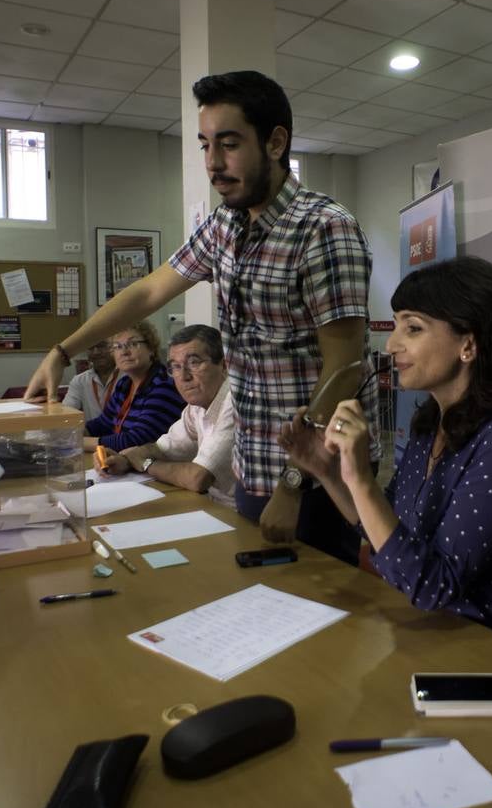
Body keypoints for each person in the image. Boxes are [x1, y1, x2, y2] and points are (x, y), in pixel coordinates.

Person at [25, 70, 376, 564]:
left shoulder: (324, 229)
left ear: (276, 142)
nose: (213, 163)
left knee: (328, 613)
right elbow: (148, 291)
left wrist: (294, 484)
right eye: (205, 145)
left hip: (318, 480)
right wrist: (64, 350)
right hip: (252, 467)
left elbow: (346, 368)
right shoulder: (223, 226)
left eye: (229, 145)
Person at [281, 257, 492, 657]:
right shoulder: (431, 425)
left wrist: (362, 479)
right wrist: (328, 471)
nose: (392, 344)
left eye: (412, 328)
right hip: (433, 633)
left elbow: (433, 585)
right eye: (396, 326)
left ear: (468, 344)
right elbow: (391, 536)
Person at [99, 324, 237, 508]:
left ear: (224, 365)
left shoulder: (235, 402)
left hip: (246, 520)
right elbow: (162, 448)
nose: (184, 376)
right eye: (176, 367)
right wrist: (125, 460)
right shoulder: (196, 407)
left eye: (194, 363)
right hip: (214, 508)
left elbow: (198, 477)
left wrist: (145, 463)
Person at [84, 321, 185, 452]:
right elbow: (103, 424)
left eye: (133, 344)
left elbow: (137, 440)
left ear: (151, 349)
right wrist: (73, 434)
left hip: (153, 467)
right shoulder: (124, 384)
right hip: (126, 464)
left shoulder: (164, 384)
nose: (124, 352)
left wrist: (81, 443)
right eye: (118, 347)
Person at [61, 338, 122, 423]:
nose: (96, 352)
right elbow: (66, 411)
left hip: (125, 434)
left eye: (101, 346)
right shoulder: (79, 380)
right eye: (90, 348)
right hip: (91, 434)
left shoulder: (129, 376)